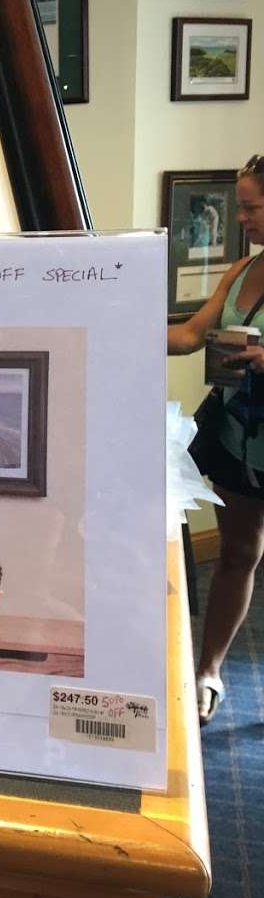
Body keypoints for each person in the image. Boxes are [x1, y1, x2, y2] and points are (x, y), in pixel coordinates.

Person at [168, 155, 264, 722]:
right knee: (238, 553)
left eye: (251, 207)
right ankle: (208, 669)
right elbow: (189, 335)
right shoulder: (242, 269)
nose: (241, 218)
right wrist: (115, 326)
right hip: (237, 436)